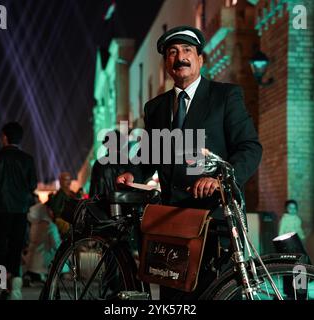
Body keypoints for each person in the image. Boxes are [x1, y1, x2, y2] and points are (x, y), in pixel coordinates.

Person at [116, 26, 262, 299]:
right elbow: (150, 153)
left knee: (214, 293)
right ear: (166, 63)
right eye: (172, 52)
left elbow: (250, 148)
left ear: (200, 59)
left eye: (187, 51)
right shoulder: (156, 107)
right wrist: (131, 172)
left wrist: (220, 180)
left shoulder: (225, 96)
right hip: (171, 224)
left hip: (213, 222)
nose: (179, 57)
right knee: (174, 296)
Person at [0, 122, 38, 299]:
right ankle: (17, 285)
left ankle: (3, 288)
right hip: (20, 211)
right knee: (16, 248)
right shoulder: (27, 160)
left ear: (4, 137)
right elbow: (32, 185)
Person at [22, 200, 61, 285]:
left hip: (31, 260)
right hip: (43, 263)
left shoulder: (34, 225)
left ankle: (31, 276)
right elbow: (56, 244)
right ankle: (41, 276)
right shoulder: (51, 226)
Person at [89, 130, 130, 198]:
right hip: (123, 205)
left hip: (101, 206)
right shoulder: (128, 163)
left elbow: (93, 191)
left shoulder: (98, 163)